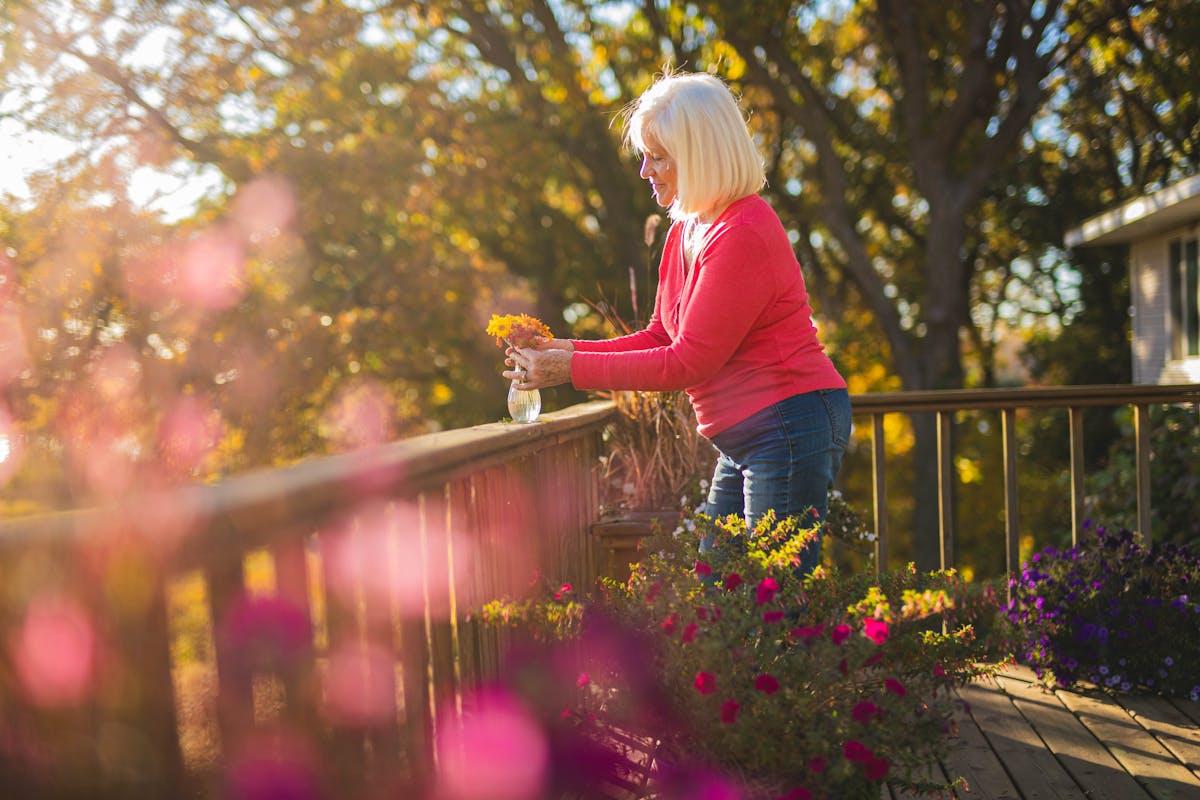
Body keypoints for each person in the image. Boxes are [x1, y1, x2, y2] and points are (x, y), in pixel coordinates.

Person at [505, 70, 850, 575]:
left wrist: (569, 371)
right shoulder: (687, 230)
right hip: (747, 436)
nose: (645, 170)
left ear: (701, 155)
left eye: (659, 156)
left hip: (787, 425)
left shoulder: (743, 232)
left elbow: (687, 361)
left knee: (772, 602)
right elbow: (660, 337)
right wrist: (562, 348)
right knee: (718, 596)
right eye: (644, 155)